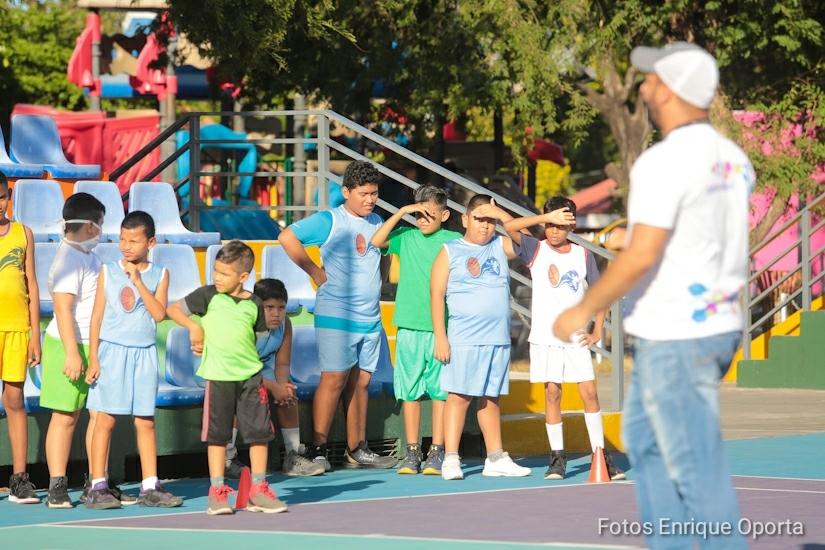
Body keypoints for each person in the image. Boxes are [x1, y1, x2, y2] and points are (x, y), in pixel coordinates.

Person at [554, 42, 752, 549]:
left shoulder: (664, 161)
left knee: (693, 463)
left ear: (670, 89)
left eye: (652, 79)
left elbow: (642, 254)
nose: (644, 87)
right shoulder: (732, 158)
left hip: (679, 331)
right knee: (644, 437)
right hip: (716, 321)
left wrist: (582, 307)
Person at [279, 160, 397, 471]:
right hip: (336, 315)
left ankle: (357, 448)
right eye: (363, 193)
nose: (370, 199)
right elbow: (287, 237)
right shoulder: (330, 220)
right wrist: (314, 271)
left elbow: (385, 255)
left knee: (362, 381)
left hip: (370, 317)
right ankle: (318, 449)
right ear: (345, 191)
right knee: (334, 379)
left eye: (374, 193)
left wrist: (380, 283)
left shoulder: (378, 222)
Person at [503, 196, 625, 480]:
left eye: (561, 224)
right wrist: (545, 218)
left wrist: (597, 331)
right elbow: (510, 225)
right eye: (551, 224)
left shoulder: (583, 255)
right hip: (545, 336)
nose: (555, 230)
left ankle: (600, 453)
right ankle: (557, 457)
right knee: (552, 393)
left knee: (589, 393)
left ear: (571, 224)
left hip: (575, 337)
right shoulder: (535, 249)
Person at [167, 240, 287, 515]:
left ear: (243, 277)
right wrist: (194, 328)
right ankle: (217, 492)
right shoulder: (207, 296)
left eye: (224, 273)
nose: (217, 277)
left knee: (259, 435)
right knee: (218, 437)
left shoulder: (255, 304)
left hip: (251, 379)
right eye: (215, 271)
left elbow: (250, 337)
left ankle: (258, 489)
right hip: (218, 378)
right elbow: (173, 310)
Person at [83, 212, 183, 509]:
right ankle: (98, 486)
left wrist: (139, 282)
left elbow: (159, 314)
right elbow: (97, 315)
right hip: (112, 352)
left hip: (144, 354)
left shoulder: (160, 274)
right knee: (106, 420)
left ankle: (150, 485)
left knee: (145, 422)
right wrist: (93, 357)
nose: (126, 246)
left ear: (150, 242)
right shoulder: (108, 270)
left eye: (134, 240)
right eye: (122, 239)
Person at [430, 194, 531, 481]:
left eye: (490, 221)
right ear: (465, 219)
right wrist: (441, 335)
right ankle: (450, 458)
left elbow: (526, 241)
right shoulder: (450, 250)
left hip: (497, 339)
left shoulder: (500, 245)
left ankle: (495, 457)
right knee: (459, 396)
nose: (485, 226)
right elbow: (436, 295)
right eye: (479, 219)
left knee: (491, 398)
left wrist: (500, 212)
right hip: (463, 338)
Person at [39, 193, 125, 508]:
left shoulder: (91, 257)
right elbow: (62, 310)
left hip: (96, 347)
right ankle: (57, 487)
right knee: (65, 416)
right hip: (67, 346)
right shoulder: (68, 259)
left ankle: (96, 483)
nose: (102, 231)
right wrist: (73, 354)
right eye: (101, 224)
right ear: (90, 225)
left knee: (101, 416)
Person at [370, 185, 462, 475]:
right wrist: (402, 212)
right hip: (408, 326)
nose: (422, 219)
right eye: (418, 213)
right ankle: (412, 451)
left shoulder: (454, 240)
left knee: (439, 391)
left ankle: (437, 450)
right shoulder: (405, 237)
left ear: (445, 215)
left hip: (440, 329)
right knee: (409, 391)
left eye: (429, 214)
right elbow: (376, 240)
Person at [253, 278, 324, 477]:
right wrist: (272, 387)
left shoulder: (285, 324)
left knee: (288, 390)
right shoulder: (245, 325)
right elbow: (242, 372)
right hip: (228, 370)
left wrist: (282, 385)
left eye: (281, 307)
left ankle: (292, 456)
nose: (276, 313)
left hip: (258, 369)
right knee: (238, 391)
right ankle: (228, 458)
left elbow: (282, 364)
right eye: (269, 307)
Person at [0, 172, 41, 504]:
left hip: (17, 329)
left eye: (1, 196)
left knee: (15, 401)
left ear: (8, 194)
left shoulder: (23, 233)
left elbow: (32, 283)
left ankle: (19, 478)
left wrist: (35, 333)